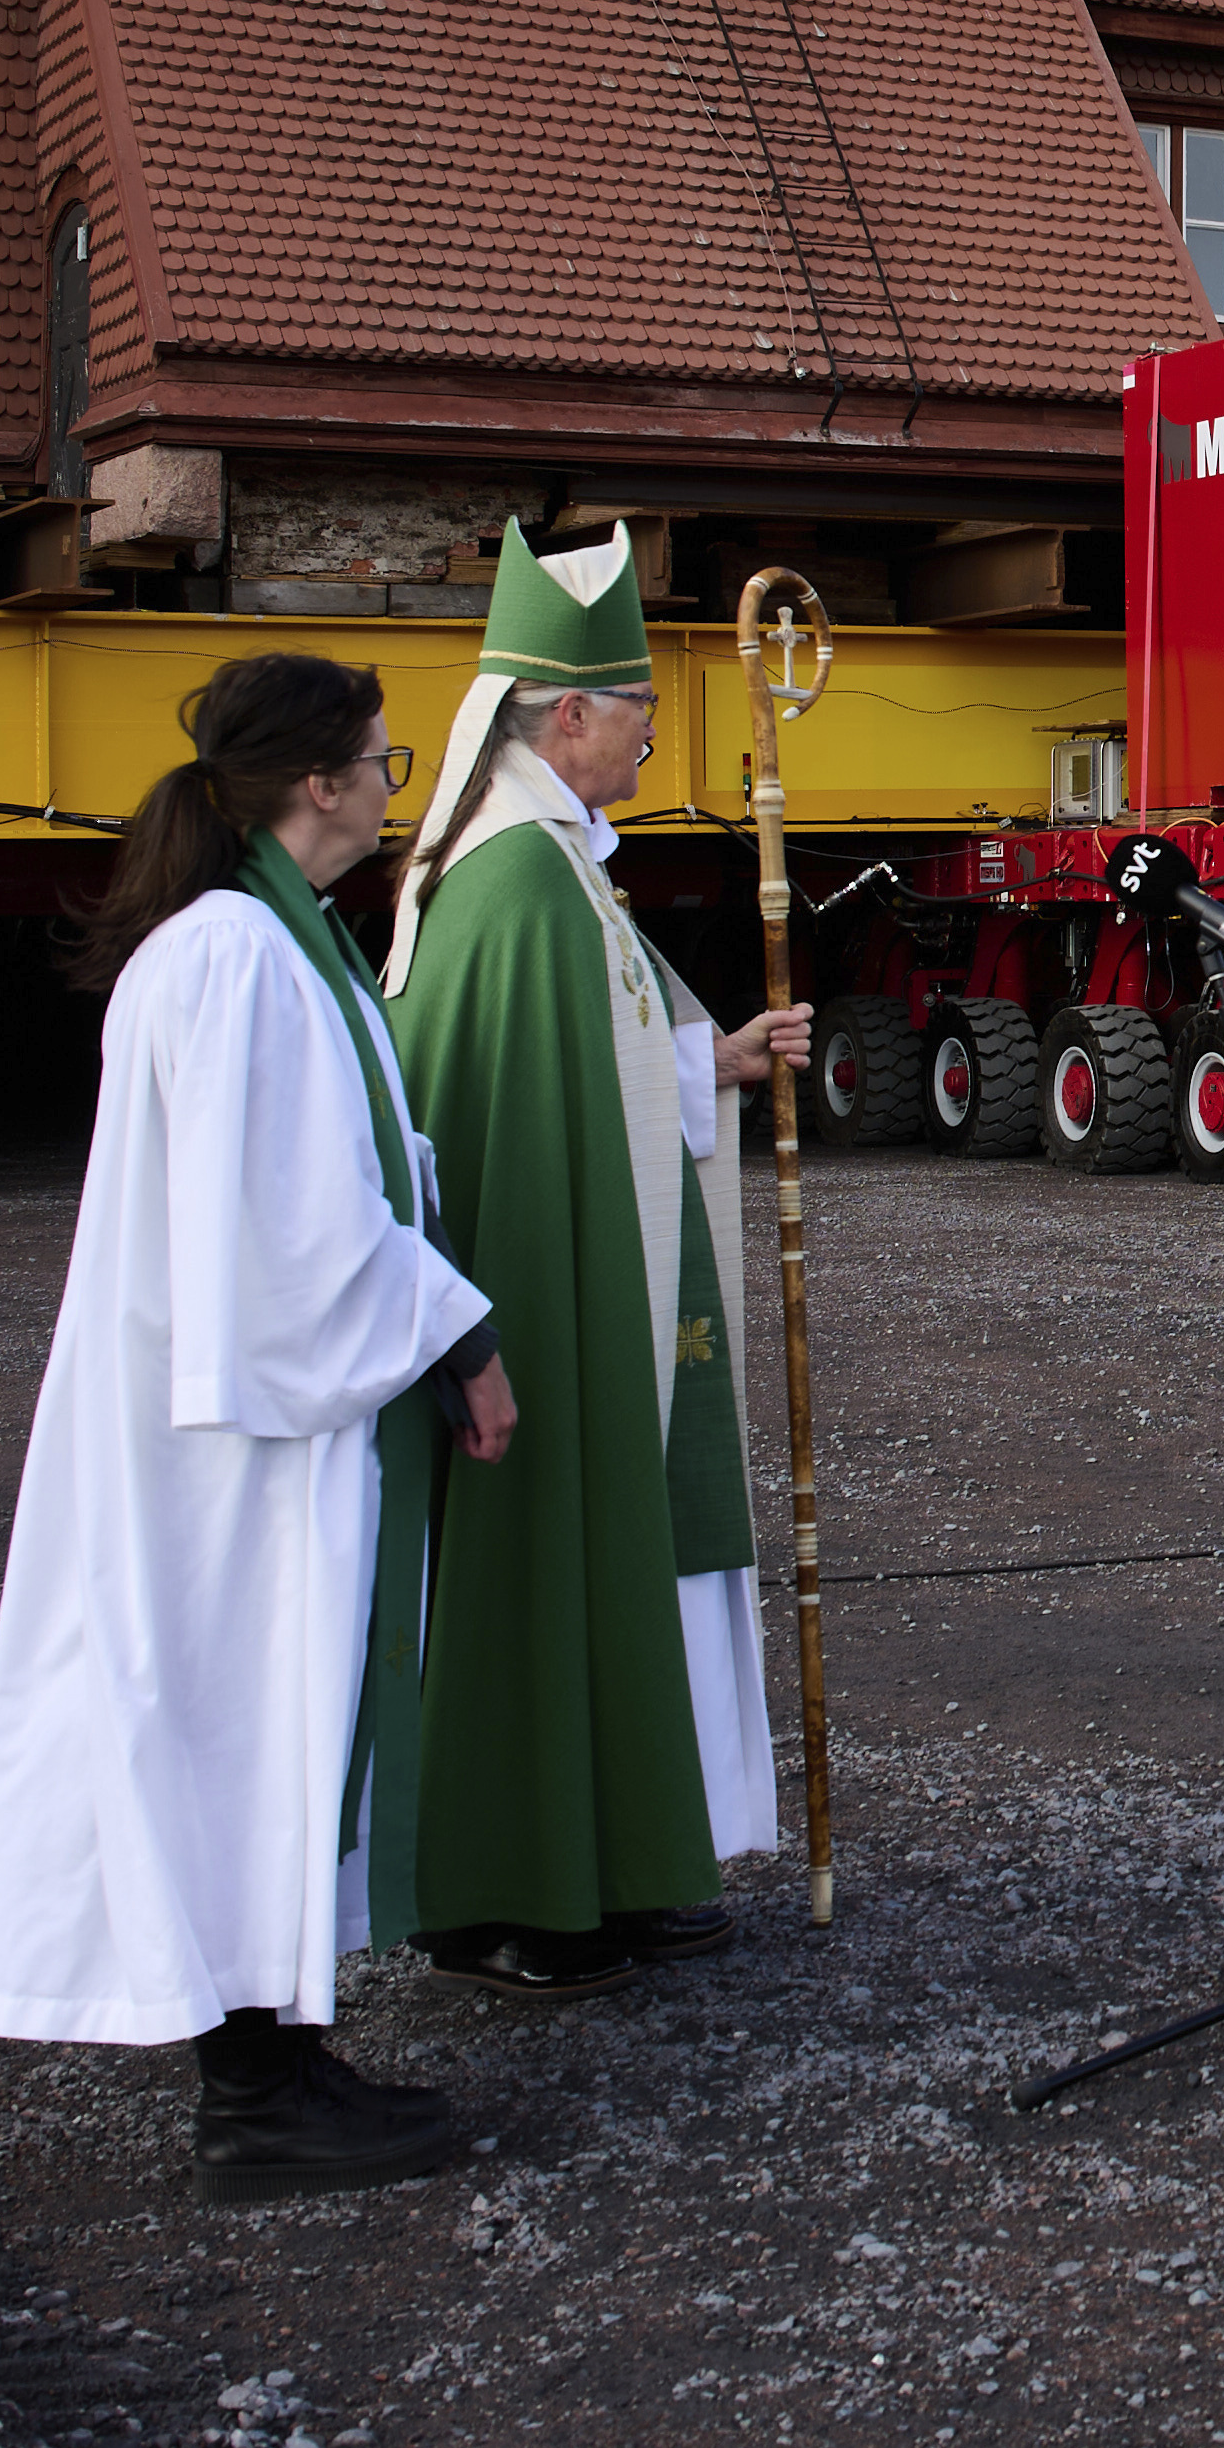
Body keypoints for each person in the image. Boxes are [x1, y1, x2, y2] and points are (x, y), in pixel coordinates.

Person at [0, 652, 517, 2201]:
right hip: (232, 1445)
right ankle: (251, 2096)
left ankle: (279, 2050)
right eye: (386, 765)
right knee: (231, 1721)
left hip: (259, 1420)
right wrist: (456, 1333)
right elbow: (287, 1232)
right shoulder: (231, 958)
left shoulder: (278, 948)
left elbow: (342, 1172)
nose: (393, 791)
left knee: (271, 1725)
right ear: (318, 786)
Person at [382, 528, 806, 2000]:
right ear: (564, 716)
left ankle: (604, 1860)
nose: (646, 736)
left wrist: (716, 1061)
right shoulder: (517, 883)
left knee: (597, 1560)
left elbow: (603, 1062)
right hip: (540, 1300)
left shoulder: (547, 863)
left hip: (571, 1273)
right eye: (634, 710)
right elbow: (531, 1097)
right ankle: (527, 1883)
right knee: (539, 1563)